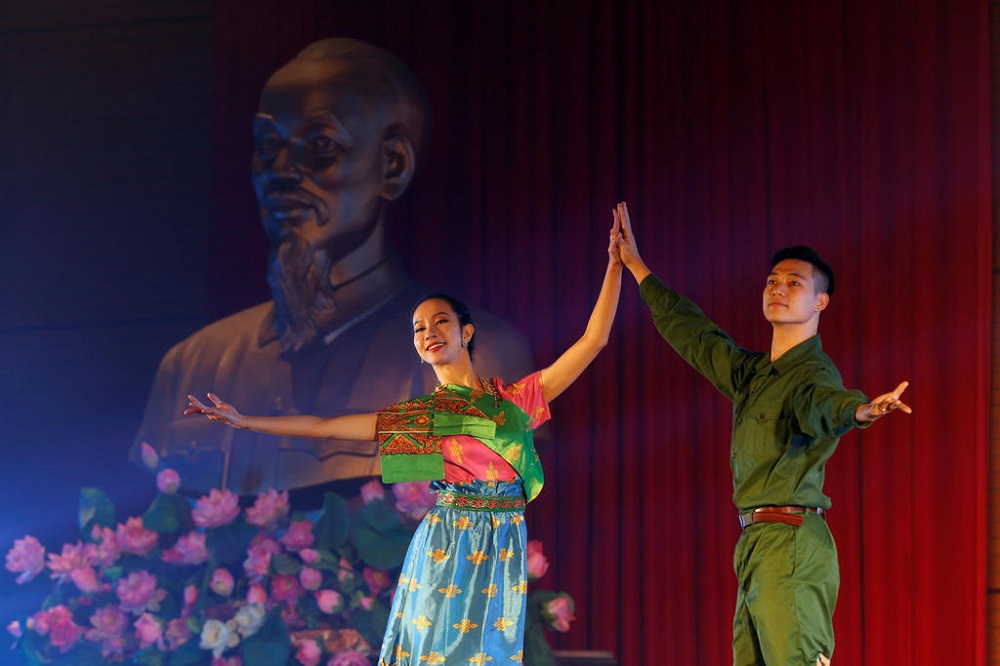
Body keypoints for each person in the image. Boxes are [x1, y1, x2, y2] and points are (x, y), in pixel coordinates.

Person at [185, 208, 624, 664]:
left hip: (503, 542)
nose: (429, 332)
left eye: (440, 322)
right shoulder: (421, 417)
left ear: (466, 331)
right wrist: (247, 421)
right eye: (418, 328)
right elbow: (326, 427)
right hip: (449, 540)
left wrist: (615, 266)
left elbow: (593, 341)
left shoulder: (516, 400)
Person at [131, 38, 535, 498]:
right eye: (268, 146)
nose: (282, 170)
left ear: (392, 165)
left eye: (320, 145)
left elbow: (468, 517)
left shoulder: (475, 355)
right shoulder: (192, 365)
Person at [612, 202, 911, 666]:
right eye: (772, 281)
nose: (778, 289)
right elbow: (694, 334)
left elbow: (824, 405)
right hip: (755, 541)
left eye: (794, 283)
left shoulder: (813, 374)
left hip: (790, 541)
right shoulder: (752, 374)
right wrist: (635, 266)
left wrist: (863, 409)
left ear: (820, 302)